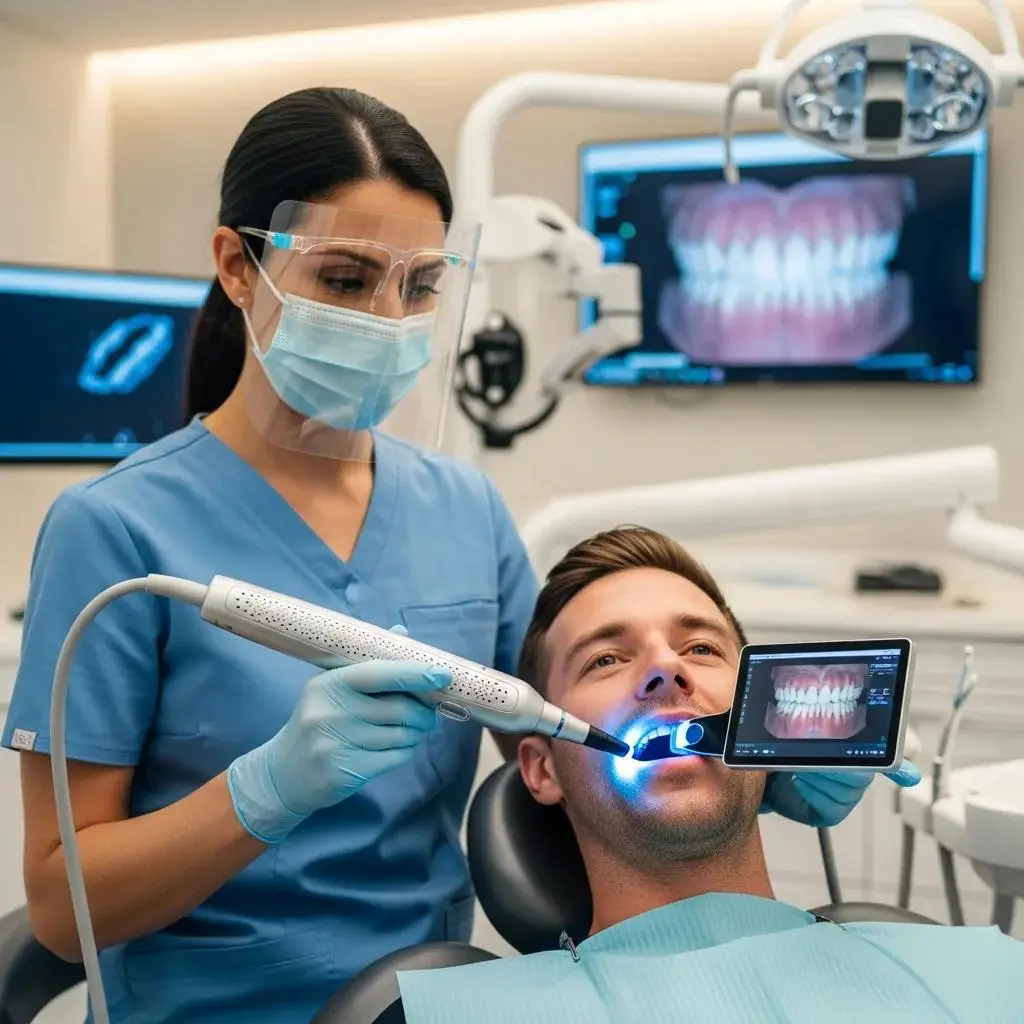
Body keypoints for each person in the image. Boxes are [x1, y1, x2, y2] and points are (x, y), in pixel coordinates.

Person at [2, 86, 903, 1023]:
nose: (390, 319)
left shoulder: (461, 507)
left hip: (443, 999)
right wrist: (264, 792)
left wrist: (758, 764)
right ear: (238, 265)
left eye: (421, 285)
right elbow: (66, 915)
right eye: (347, 280)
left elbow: (566, 736)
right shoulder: (115, 531)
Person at [397, 527, 1024, 1024]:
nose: (666, 667)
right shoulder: (455, 1012)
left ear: (762, 711)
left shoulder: (984, 976)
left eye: (701, 648)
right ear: (541, 767)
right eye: (606, 658)